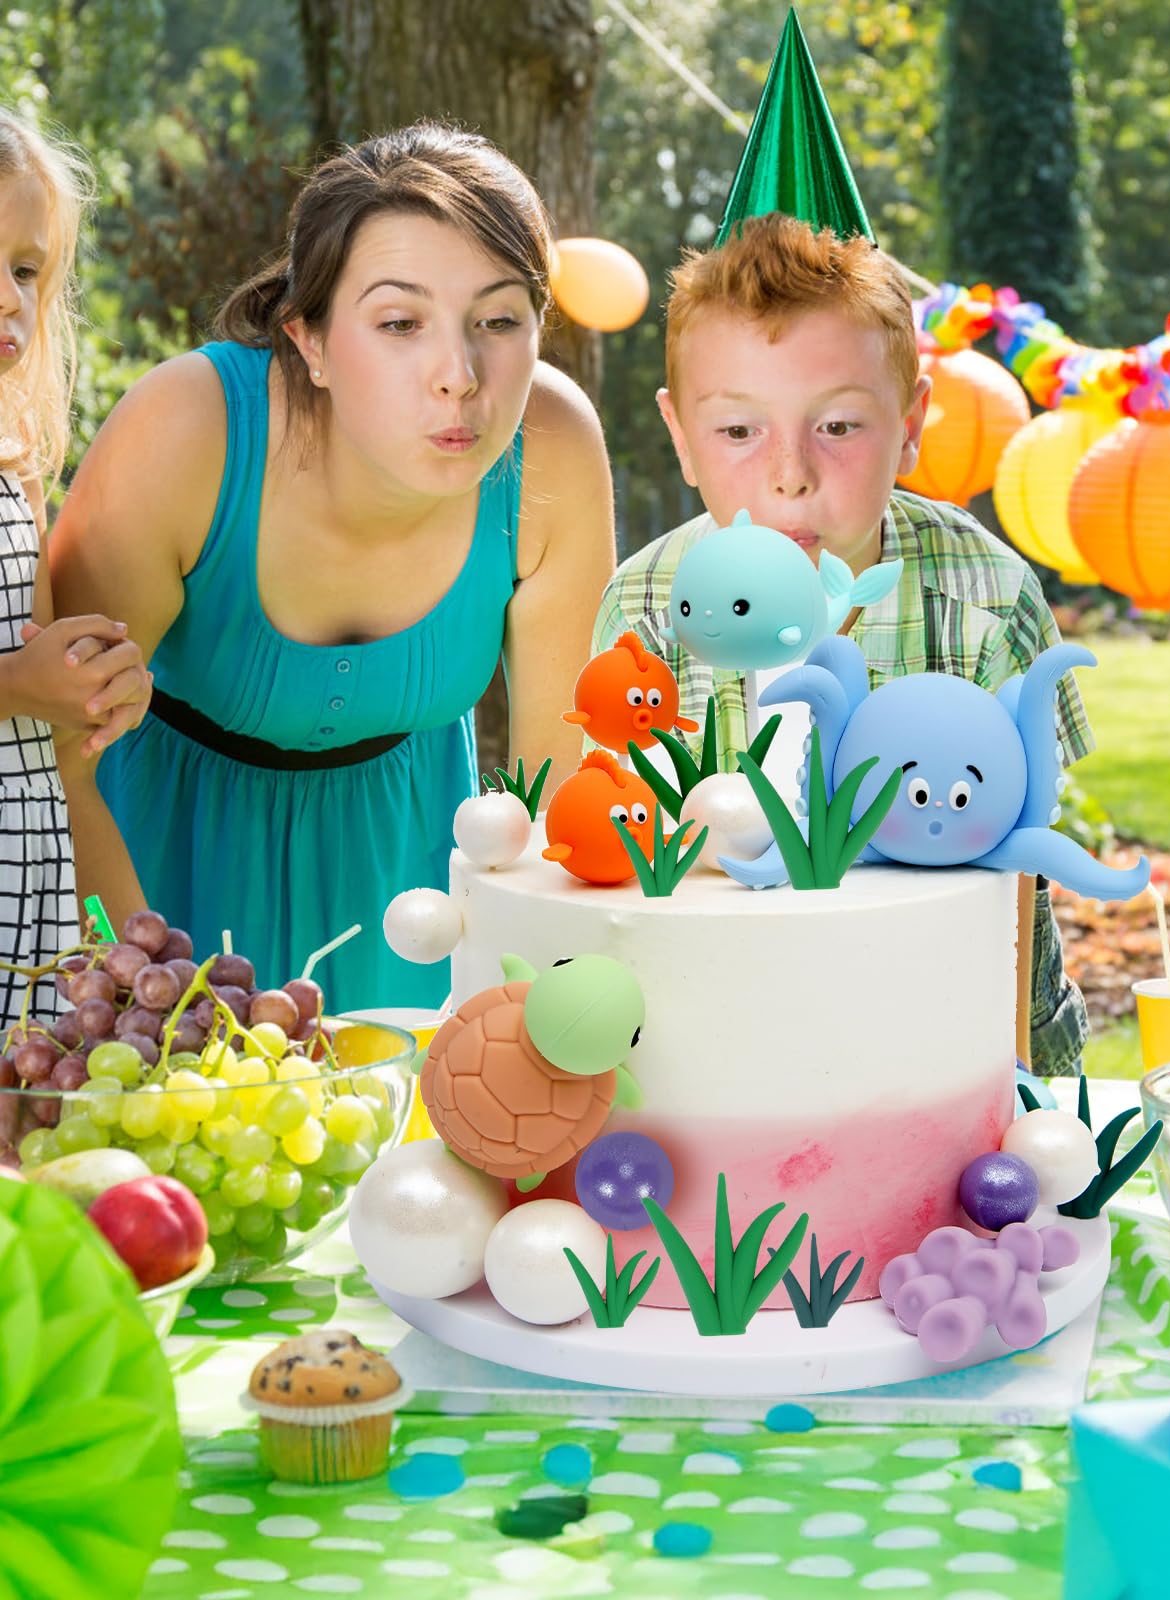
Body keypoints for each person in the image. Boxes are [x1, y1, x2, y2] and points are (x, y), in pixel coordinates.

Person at [48, 122, 614, 1010]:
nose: (459, 375)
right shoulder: (185, 429)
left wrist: (534, 1011)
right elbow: (54, 764)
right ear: (308, 340)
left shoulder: (555, 446)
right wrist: (134, 993)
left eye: (500, 320)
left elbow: (561, 804)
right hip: (146, 880)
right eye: (400, 323)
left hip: (414, 906)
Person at [593, 210, 1097, 1075]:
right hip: (729, 1022)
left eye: (837, 426)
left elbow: (1017, 870)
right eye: (739, 431)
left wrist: (1010, 1081)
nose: (790, 473)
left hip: (959, 1019)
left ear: (910, 423)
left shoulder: (986, 593)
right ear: (681, 438)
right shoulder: (645, 608)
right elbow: (624, 852)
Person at [0, 111, 150, 1024]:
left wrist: (143, 970)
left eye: (25, 269)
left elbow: (63, 765)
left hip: (32, 935)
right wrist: (16, 683)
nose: (9, 298)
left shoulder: (16, 470)